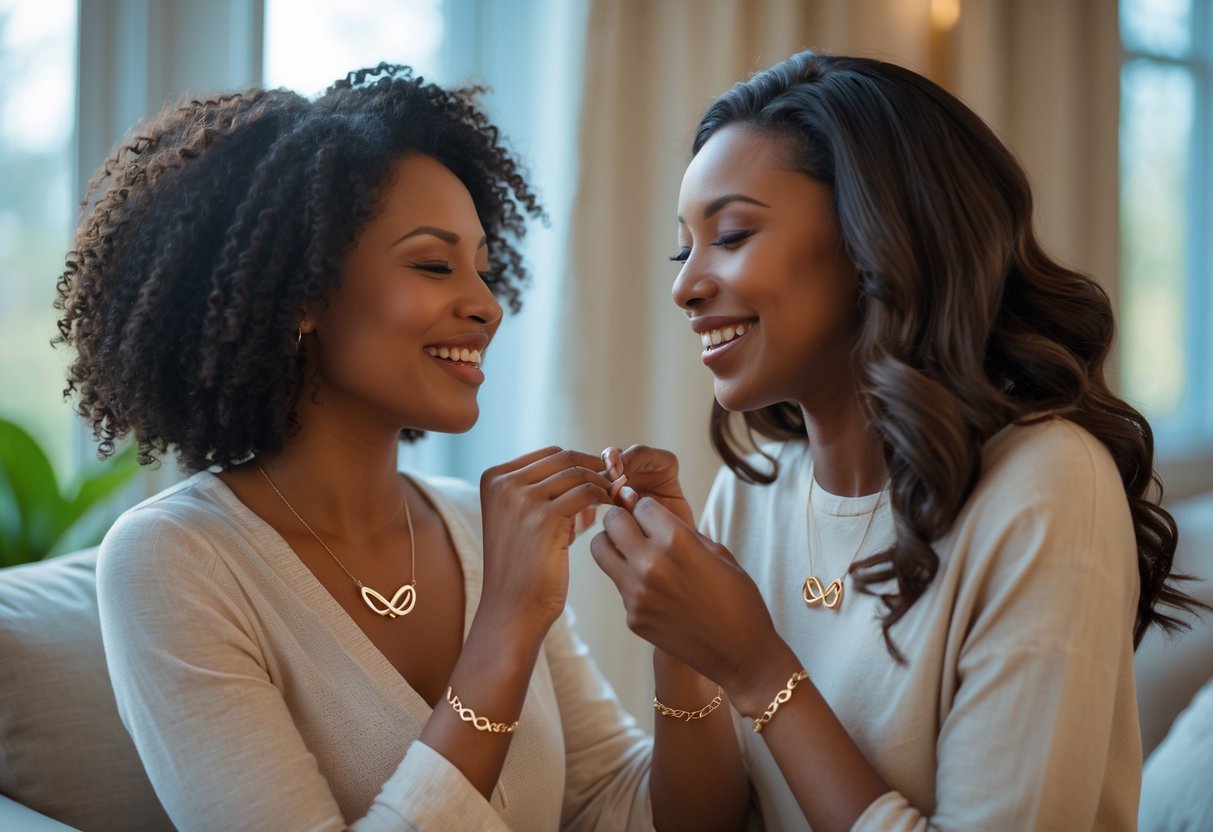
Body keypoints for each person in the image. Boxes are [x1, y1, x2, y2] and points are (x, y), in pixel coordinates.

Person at [589, 51, 1206, 831]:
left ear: (876, 241)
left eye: (733, 234)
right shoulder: (752, 490)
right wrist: (681, 638)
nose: (684, 285)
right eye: (684, 248)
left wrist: (755, 665)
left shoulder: (1046, 487)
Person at [55, 64, 653, 831]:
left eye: (483, 266)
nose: (486, 305)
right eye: (434, 264)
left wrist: (681, 636)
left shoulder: (478, 524)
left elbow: (616, 806)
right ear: (302, 295)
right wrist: (505, 624)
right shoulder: (172, 562)